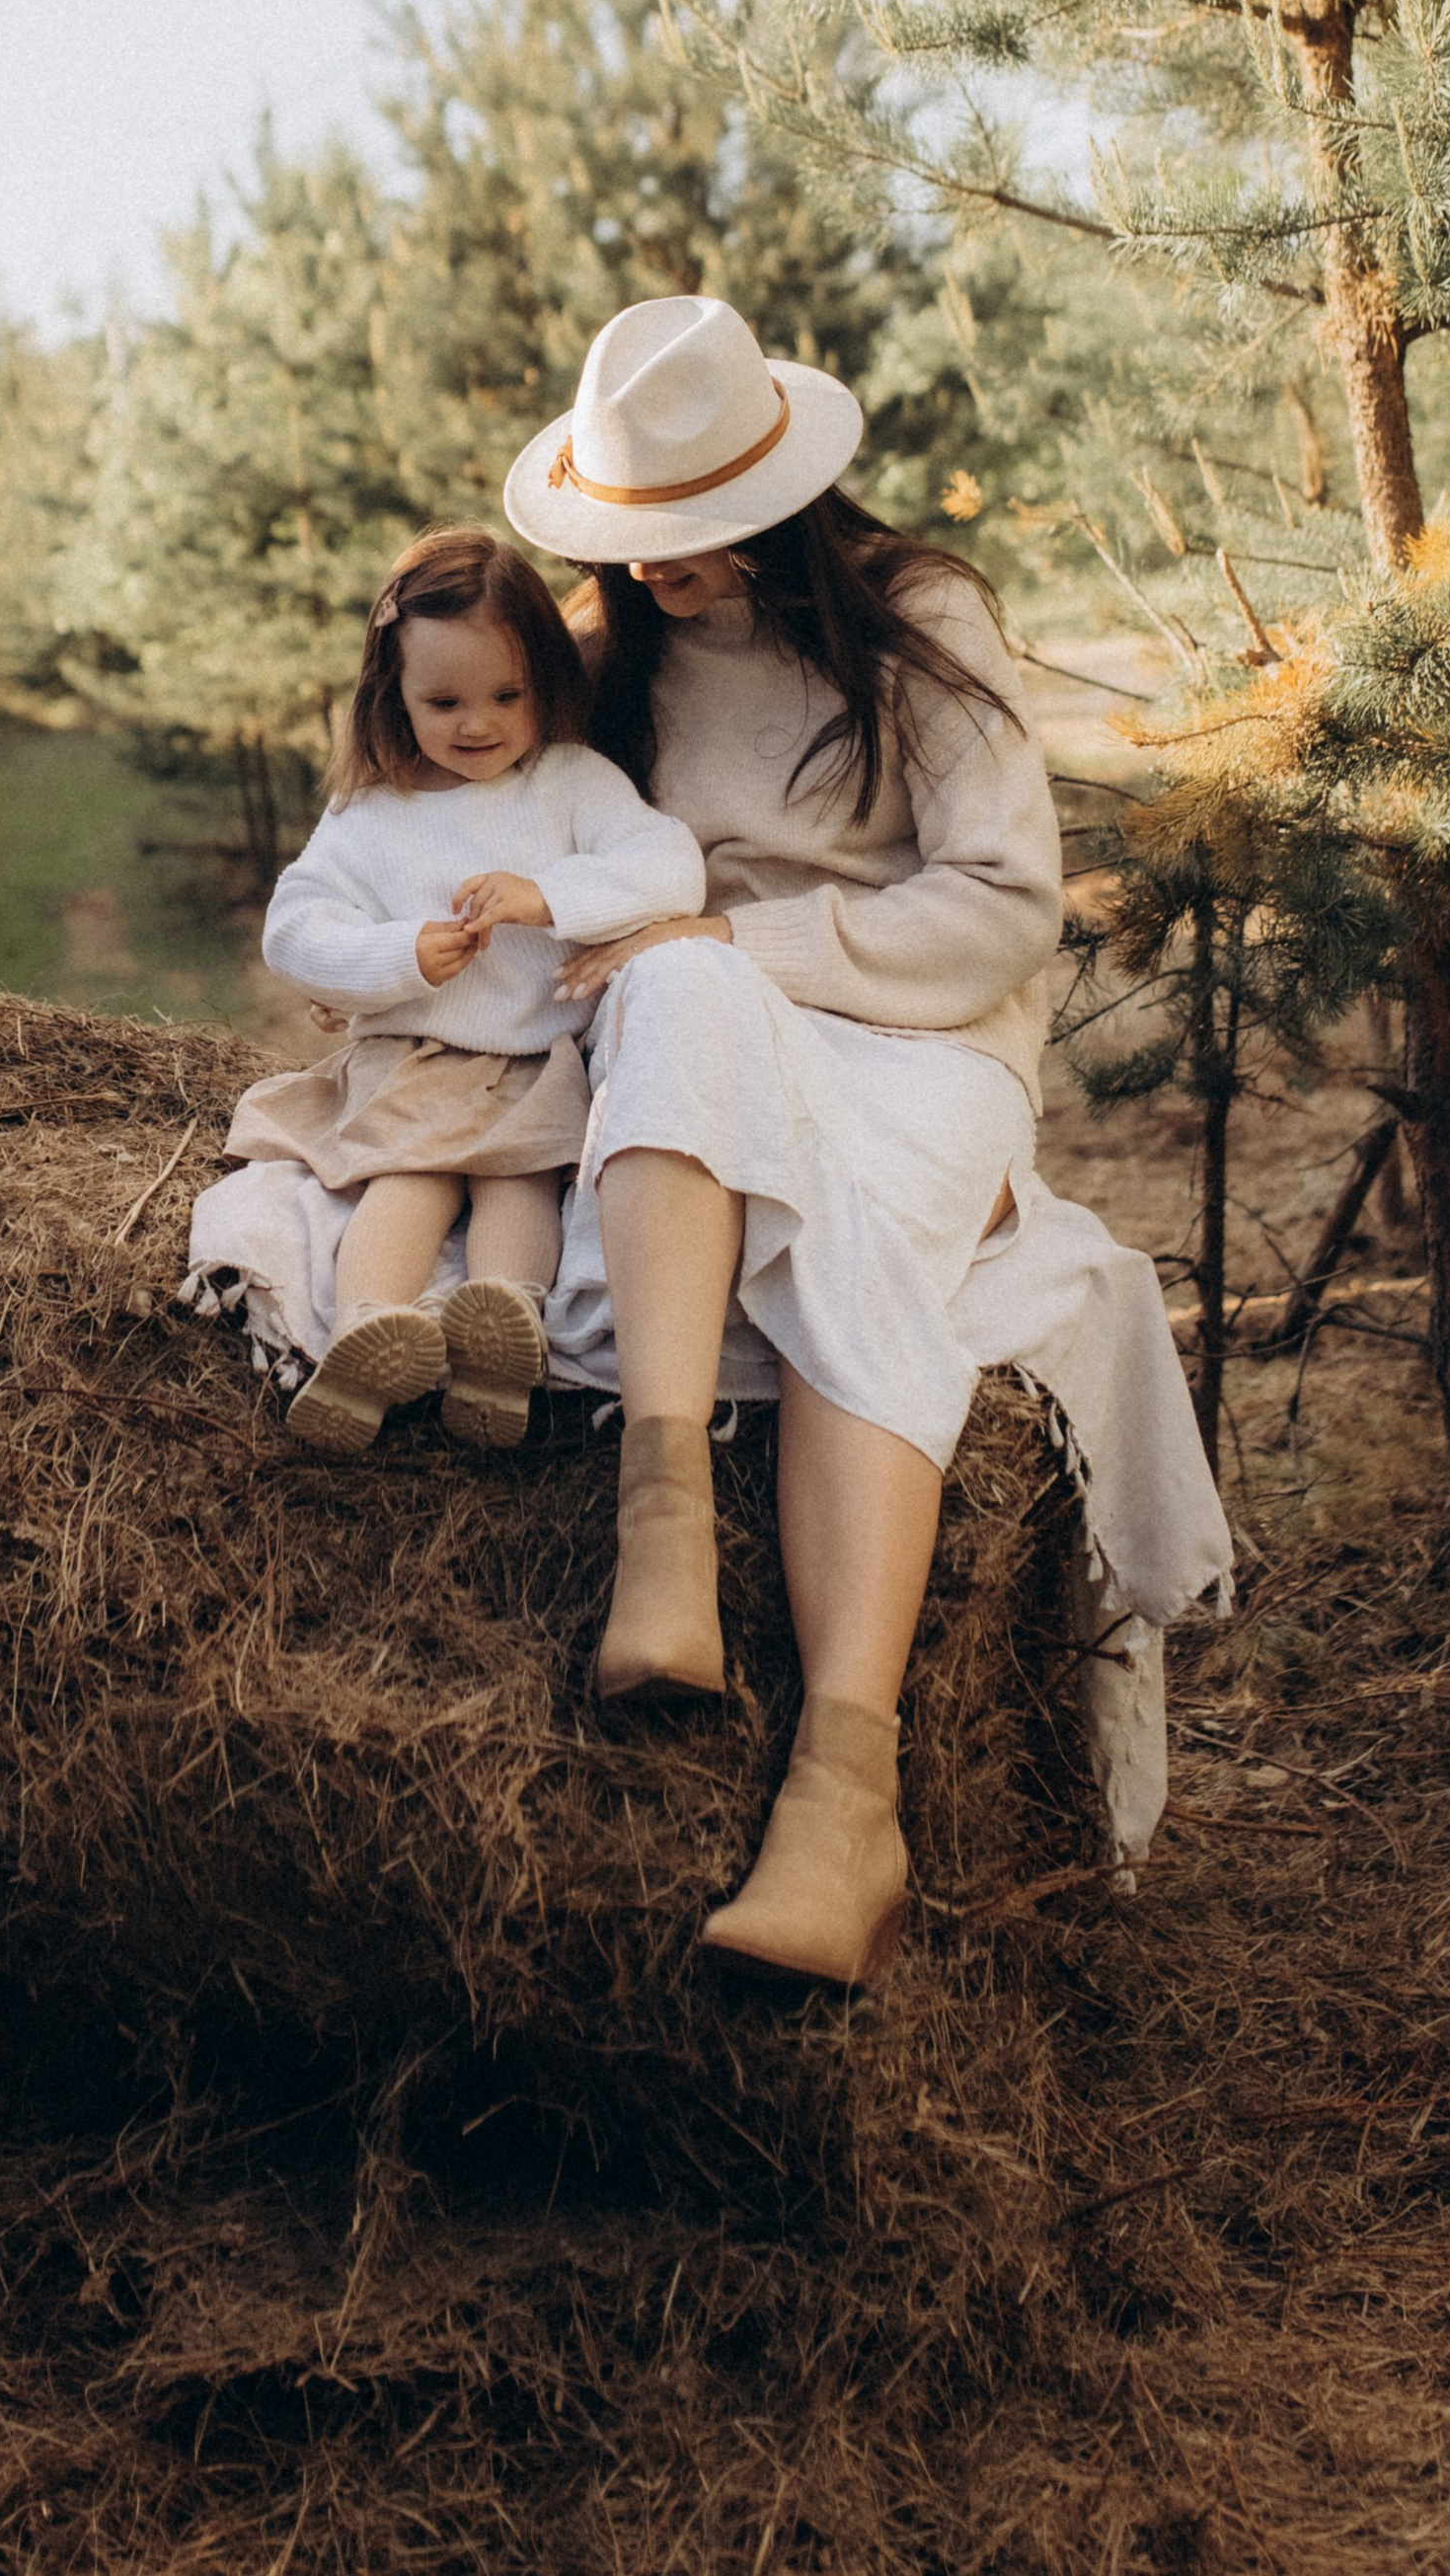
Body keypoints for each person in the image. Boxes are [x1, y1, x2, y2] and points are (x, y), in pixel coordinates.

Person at [498, 294, 1227, 1993]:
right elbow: (582, 881)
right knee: (673, 1006)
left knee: (841, 1231)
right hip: (714, 1028)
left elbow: (1003, 910)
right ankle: (664, 1525)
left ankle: (848, 1790)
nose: (659, 570)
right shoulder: (624, 672)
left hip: (922, 1044)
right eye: (635, 541)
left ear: (776, 499)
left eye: (688, 537)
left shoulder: (918, 617)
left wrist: (736, 950)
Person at [223, 526, 706, 1460]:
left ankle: (503, 1336)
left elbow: (671, 868)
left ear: (547, 682)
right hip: (413, 1056)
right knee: (408, 1180)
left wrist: (549, 895)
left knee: (518, 1185)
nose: (476, 723)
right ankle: (369, 1331)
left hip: (532, 1061)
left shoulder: (570, 783)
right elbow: (295, 928)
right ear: (393, 697)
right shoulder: (372, 811)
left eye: (506, 695)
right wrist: (396, 954)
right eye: (443, 701)